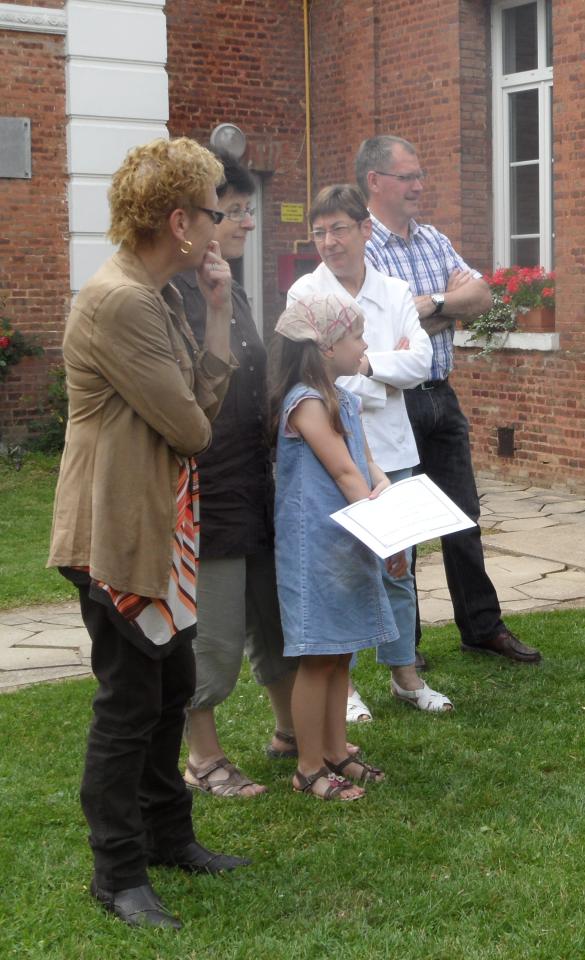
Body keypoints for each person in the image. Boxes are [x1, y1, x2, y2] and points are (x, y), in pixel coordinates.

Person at [47, 137, 249, 929]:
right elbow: (196, 427)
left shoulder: (159, 292)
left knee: (168, 692)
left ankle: (169, 839)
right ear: (179, 219)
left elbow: (200, 395)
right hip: (116, 532)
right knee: (129, 705)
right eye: (212, 209)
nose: (220, 220)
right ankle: (117, 873)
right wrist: (199, 402)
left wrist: (222, 309)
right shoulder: (121, 300)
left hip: (160, 526)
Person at [357, 134, 541, 665]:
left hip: (442, 398)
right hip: (392, 404)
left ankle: (481, 627)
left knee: (463, 516)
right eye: (408, 176)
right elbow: (381, 330)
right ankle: (404, 647)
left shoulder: (432, 239)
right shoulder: (364, 249)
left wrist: (433, 303)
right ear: (375, 181)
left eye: (419, 175)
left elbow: (482, 296)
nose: (419, 185)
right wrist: (443, 312)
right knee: (403, 530)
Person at [288, 184, 452, 717]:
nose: (328, 241)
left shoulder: (396, 290)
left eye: (338, 228)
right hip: (329, 452)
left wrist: (359, 367)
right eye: (319, 232)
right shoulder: (303, 294)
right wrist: (384, 373)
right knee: (342, 573)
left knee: (398, 569)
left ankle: (405, 676)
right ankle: (347, 687)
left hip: (393, 453)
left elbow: (422, 364)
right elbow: (311, 377)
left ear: (364, 230)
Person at [173, 151, 298, 797]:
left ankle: (289, 732)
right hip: (207, 492)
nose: (247, 223)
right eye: (234, 211)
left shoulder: (238, 290)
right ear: (195, 220)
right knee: (216, 633)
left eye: (249, 210)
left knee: (273, 620)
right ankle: (203, 756)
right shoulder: (173, 298)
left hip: (256, 486)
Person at [269, 293, 400, 800]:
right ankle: (307, 765)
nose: (364, 345)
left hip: (350, 539)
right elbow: (344, 472)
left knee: (341, 652)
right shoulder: (304, 402)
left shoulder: (343, 399)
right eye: (356, 337)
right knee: (318, 657)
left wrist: (389, 494)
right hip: (314, 549)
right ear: (325, 346)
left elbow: (367, 467)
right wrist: (384, 529)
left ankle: (336, 751)